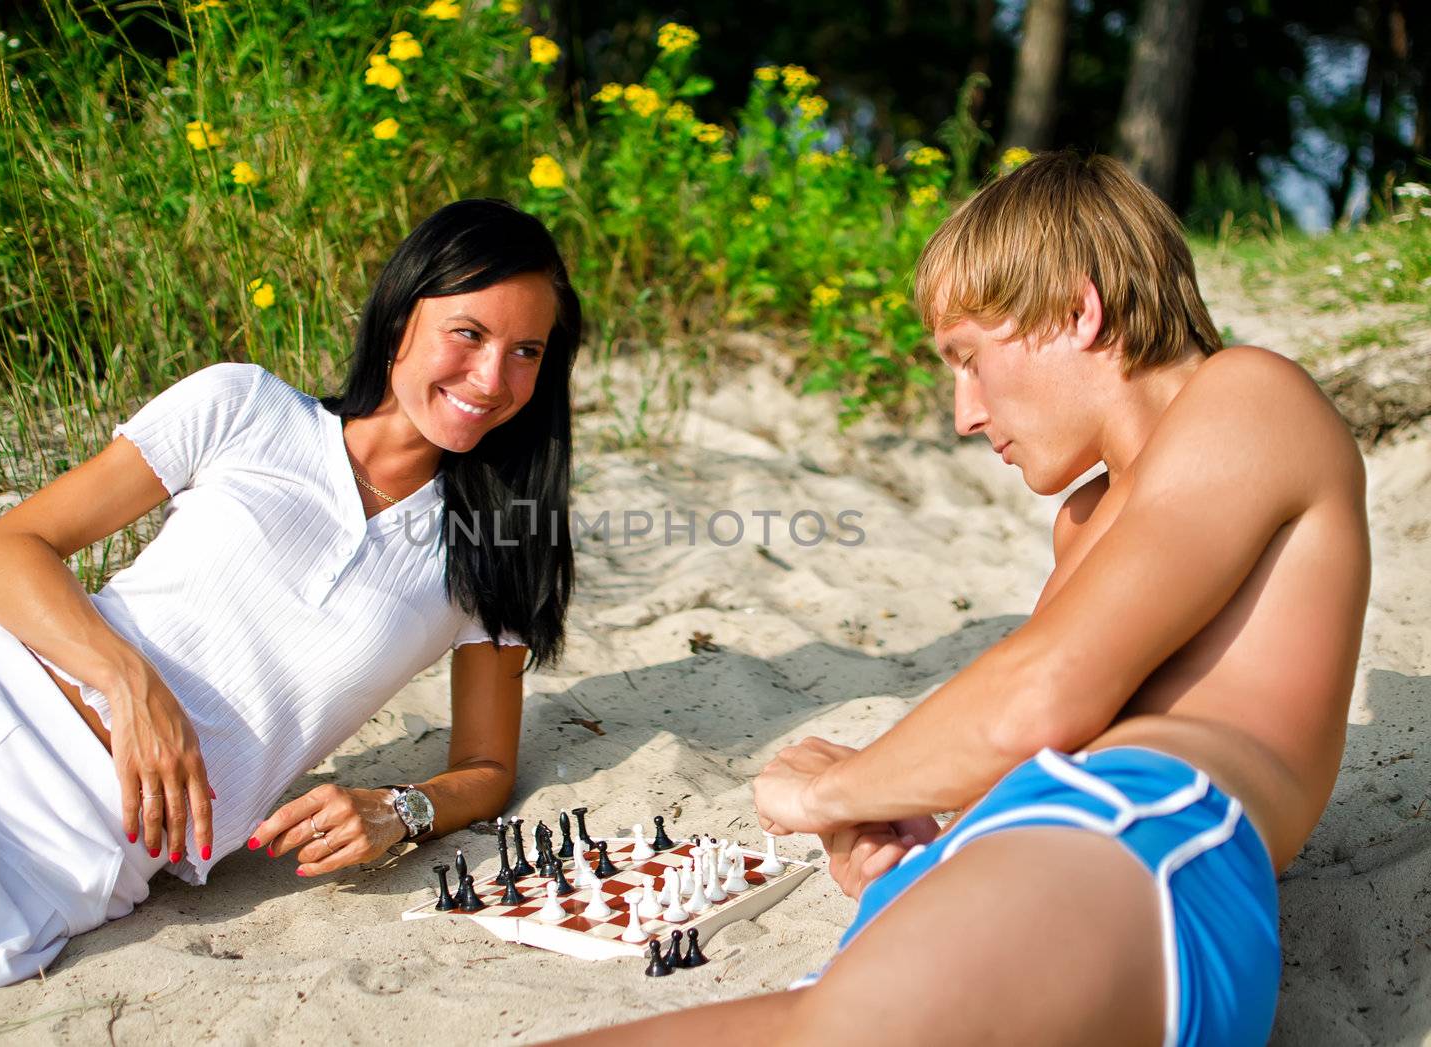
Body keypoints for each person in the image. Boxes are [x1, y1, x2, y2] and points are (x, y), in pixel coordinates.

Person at [560, 153, 1370, 1046]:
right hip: (1026, 865)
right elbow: (1029, 733)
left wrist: (831, 791)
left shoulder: (1249, 395)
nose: (964, 412)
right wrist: (906, 860)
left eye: (970, 358)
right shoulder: (1088, 521)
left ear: (1077, 309)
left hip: (1139, 829)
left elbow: (1038, 697)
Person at [0, 198, 581, 1021]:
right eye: (468, 333)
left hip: (60, 837)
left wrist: (401, 808)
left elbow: (486, 766)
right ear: (403, 312)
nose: (491, 377)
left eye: (525, 352)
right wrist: (131, 686)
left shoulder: (498, 542)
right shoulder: (245, 407)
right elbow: (4, 551)